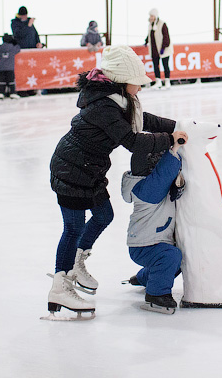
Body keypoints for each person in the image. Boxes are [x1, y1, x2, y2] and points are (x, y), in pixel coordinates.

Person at [45, 45, 186, 318]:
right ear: (121, 80)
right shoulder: (104, 106)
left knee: (103, 215)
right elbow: (133, 141)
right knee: (72, 228)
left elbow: (142, 121)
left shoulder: (118, 100)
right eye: (138, 82)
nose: (141, 88)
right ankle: (60, 286)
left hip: (90, 171)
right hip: (70, 170)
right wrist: (171, 140)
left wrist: (175, 125)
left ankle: (77, 260)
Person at [121, 141, 187, 314]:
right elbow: (164, 174)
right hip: (145, 245)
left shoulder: (149, 186)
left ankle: (144, 277)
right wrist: (173, 151)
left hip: (153, 241)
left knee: (177, 259)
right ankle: (156, 294)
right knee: (171, 256)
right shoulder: (147, 189)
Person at [145, 9, 172, 89]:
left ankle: (167, 81)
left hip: (163, 49)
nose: (151, 17)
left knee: (165, 65)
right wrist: (146, 41)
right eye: (150, 16)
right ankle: (158, 81)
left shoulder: (162, 24)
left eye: (152, 16)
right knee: (156, 66)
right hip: (154, 49)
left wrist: (163, 47)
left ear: (156, 16)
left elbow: (166, 37)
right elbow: (150, 35)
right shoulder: (150, 25)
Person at [0, 33, 21, 100]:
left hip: (1, 67)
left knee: (2, 81)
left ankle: (1, 93)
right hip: (10, 67)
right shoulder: (13, 47)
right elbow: (18, 49)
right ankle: (12, 93)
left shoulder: (1, 47)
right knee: (11, 81)